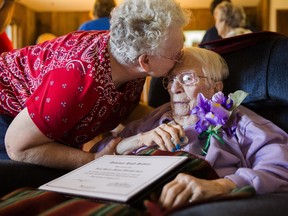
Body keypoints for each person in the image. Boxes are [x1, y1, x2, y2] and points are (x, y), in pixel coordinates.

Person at [0, 0, 189, 169]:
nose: (180, 60)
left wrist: (171, 117)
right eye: (176, 55)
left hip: (46, 115)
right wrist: (93, 160)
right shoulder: (78, 79)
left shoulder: (130, 58)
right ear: (145, 61)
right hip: (9, 116)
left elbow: (126, 109)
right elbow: (17, 146)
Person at [92, 47, 288, 208]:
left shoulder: (237, 121)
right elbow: (96, 155)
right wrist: (138, 140)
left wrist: (221, 186)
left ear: (216, 88)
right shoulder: (152, 121)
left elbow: (280, 165)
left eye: (187, 79)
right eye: (170, 80)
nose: (174, 88)